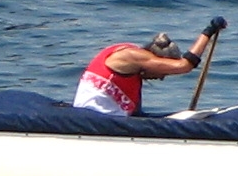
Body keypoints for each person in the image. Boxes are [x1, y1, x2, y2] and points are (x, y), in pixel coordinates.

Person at [71, 22, 214, 117]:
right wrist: (209, 32)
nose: (161, 78)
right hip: (92, 117)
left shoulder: (134, 70)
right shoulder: (130, 56)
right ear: (156, 59)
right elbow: (185, 65)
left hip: (111, 117)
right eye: (162, 72)